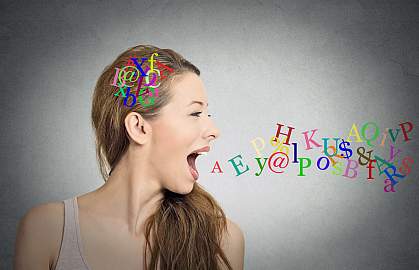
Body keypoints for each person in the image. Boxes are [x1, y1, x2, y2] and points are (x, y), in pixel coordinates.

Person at [14, 45, 245, 270]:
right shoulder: (48, 230)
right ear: (139, 128)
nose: (214, 130)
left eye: (207, 114)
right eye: (195, 113)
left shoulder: (222, 241)